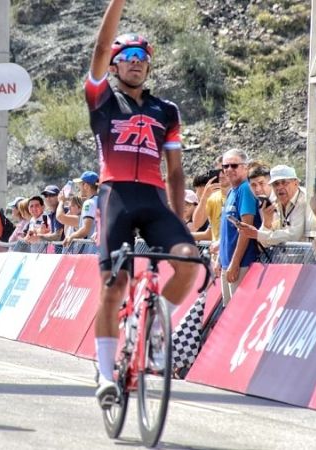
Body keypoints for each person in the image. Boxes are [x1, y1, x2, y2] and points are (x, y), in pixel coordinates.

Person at [85, 0, 200, 408]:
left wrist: (179, 217)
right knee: (114, 285)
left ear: (148, 68)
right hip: (115, 196)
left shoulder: (165, 110)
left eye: (142, 58)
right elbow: (99, 48)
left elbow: (177, 170)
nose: (135, 63)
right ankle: (103, 373)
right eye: (126, 57)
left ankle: (153, 325)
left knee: (190, 261)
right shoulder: (102, 101)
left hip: (153, 200)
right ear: (114, 67)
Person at [236, 165, 316, 247]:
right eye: (276, 184)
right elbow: (265, 243)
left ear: (296, 183)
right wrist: (266, 223)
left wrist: (258, 234)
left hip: (309, 257)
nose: (280, 187)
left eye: (284, 182)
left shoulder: (305, 200)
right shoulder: (275, 202)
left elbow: (293, 235)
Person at [219, 149, 260, 305]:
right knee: (228, 314)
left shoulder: (245, 189)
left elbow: (246, 228)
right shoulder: (231, 192)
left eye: (234, 165)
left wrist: (235, 263)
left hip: (241, 264)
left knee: (238, 312)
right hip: (226, 262)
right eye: (226, 166)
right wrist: (220, 261)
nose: (229, 169)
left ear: (245, 167)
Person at [61, 171, 99, 246]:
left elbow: (85, 229)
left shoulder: (89, 203)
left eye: (80, 184)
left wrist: (71, 236)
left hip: (91, 251)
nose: (79, 188)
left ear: (86, 186)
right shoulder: (101, 200)